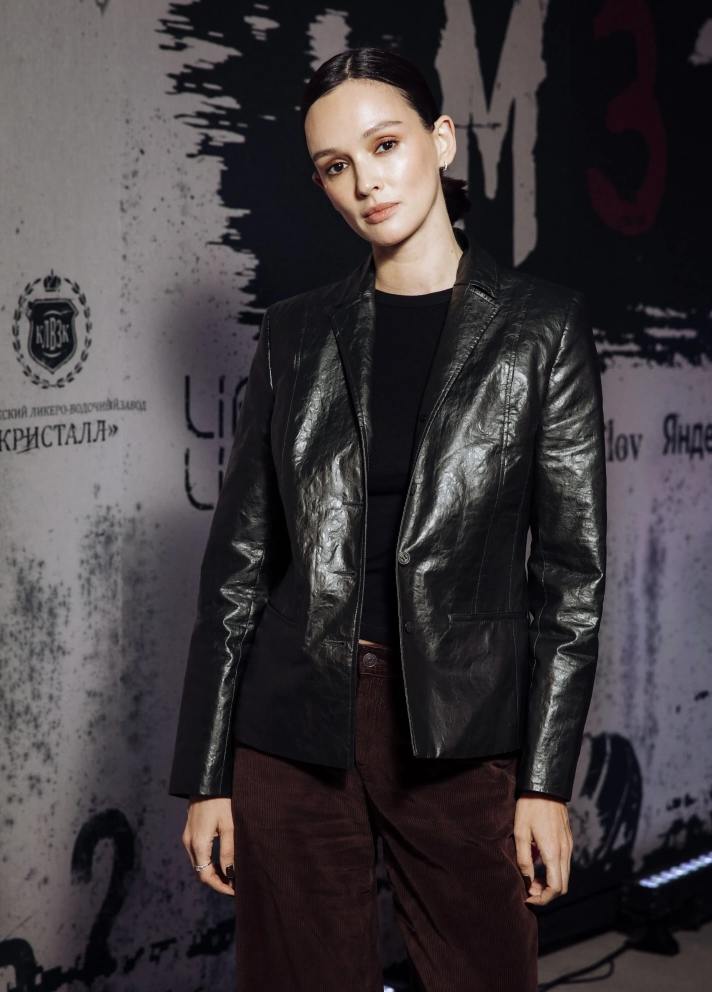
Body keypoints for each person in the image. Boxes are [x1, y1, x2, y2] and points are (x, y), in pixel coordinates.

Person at [169, 48, 606, 992]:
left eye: (385, 144)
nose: (366, 181)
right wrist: (207, 773)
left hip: (459, 724)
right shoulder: (295, 333)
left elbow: (571, 579)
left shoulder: (543, 328)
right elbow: (239, 563)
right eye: (335, 165)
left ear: (440, 141)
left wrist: (545, 781)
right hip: (292, 723)